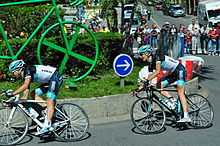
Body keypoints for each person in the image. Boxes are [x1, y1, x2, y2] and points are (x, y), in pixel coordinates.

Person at [137, 45, 191, 123]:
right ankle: (172, 101)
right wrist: (139, 89)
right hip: (172, 73)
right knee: (158, 86)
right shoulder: (150, 63)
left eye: (141, 54)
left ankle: (186, 116)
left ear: (147, 53)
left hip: (180, 70)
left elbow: (158, 71)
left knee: (180, 92)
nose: (140, 57)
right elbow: (150, 76)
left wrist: (147, 80)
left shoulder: (157, 57)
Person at [7, 60, 63, 135]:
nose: (13, 74)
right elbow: (26, 92)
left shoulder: (28, 70)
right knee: (33, 93)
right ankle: (49, 110)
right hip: (50, 81)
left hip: (55, 78)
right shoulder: (25, 74)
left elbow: (25, 85)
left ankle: (48, 125)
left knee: (50, 99)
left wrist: (13, 93)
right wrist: (21, 101)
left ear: (19, 69)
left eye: (13, 72)